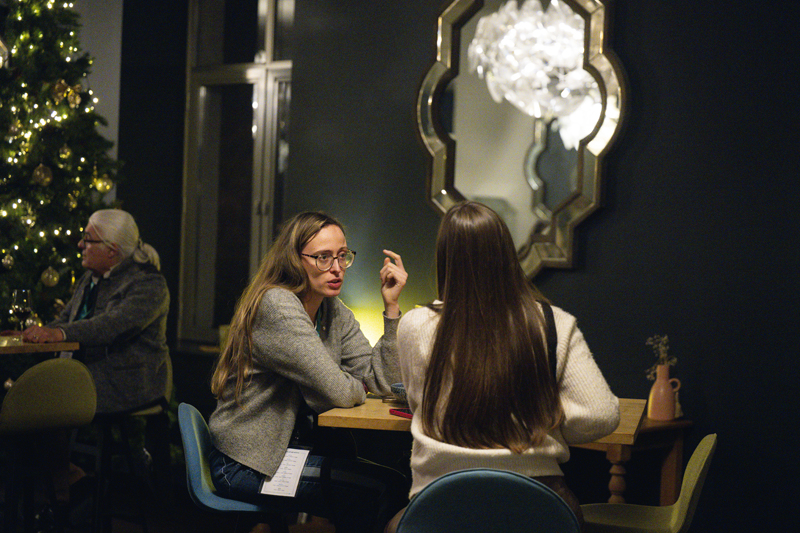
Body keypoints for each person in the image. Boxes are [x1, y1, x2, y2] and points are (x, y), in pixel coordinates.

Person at [386, 201, 620, 532]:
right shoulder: (553, 321)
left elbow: (418, 404)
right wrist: (539, 418)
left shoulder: (414, 324)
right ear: (507, 254)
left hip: (442, 502)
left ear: (445, 258)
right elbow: (601, 416)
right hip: (538, 503)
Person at [207, 211, 409, 533]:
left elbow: (382, 381)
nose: (337, 268)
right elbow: (341, 391)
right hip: (248, 464)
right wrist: (356, 386)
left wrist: (392, 308)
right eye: (323, 258)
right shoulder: (277, 306)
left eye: (343, 256)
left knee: (393, 482)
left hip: (291, 454)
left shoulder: (332, 310)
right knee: (380, 490)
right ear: (295, 260)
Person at [22, 209, 170, 415]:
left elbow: (111, 326)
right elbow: (66, 319)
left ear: (111, 250)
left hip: (125, 388)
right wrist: (34, 334)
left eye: (88, 239)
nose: (80, 245)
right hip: (82, 379)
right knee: (28, 401)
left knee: (39, 410)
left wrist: (60, 333)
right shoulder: (89, 277)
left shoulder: (148, 283)